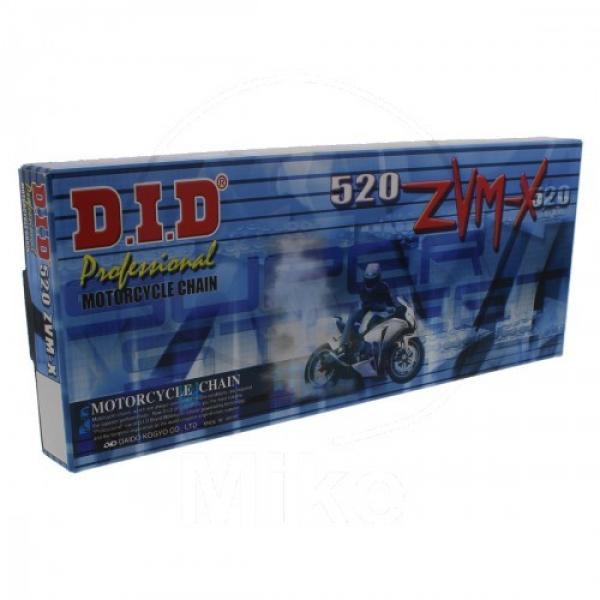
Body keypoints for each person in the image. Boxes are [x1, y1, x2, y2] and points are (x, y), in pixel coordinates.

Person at [339, 263, 405, 358]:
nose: (370, 283)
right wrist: (385, 308)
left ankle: (375, 348)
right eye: (368, 280)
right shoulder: (363, 288)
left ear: (378, 278)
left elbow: (390, 301)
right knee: (353, 316)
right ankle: (344, 344)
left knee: (380, 323)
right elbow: (368, 305)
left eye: (372, 280)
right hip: (367, 311)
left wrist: (396, 308)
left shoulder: (383, 287)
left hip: (380, 314)